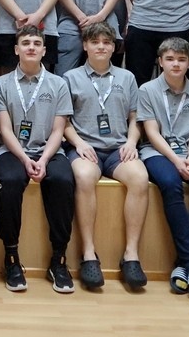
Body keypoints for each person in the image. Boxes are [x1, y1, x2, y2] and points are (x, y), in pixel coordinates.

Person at [63, 22, 149, 291]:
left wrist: (132, 142)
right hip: (84, 147)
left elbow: (135, 117)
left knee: (140, 178)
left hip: (118, 149)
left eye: (107, 42)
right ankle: (89, 253)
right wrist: (78, 143)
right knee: (84, 177)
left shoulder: (127, 77)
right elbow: (63, 121)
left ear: (114, 47)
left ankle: (131, 255)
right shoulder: (70, 77)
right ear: (85, 46)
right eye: (95, 42)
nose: (101, 46)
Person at [0, 26, 76, 293]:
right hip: (12, 151)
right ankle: (11, 257)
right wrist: (25, 159)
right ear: (16, 49)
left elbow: (58, 130)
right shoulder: (1, 84)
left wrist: (43, 159)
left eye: (36, 43)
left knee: (63, 180)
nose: (31, 47)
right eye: (26, 43)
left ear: (44, 50)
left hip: (49, 151)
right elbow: (5, 129)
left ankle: (58, 260)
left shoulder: (58, 84)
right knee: (11, 181)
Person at [136, 38, 189, 296]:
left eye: (181, 59)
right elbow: (151, 132)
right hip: (157, 151)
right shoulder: (147, 90)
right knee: (171, 184)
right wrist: (176, 160)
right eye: (170, 59)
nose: (176, 64)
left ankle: (184, 264)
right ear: (160, 62)